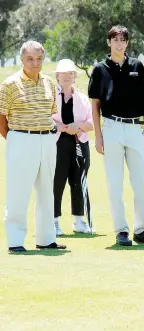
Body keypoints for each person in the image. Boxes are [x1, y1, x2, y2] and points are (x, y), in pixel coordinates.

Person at [88, 25, 144, 246]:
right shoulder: (99, 69)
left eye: (122, 39)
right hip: (111, 127)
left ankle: (140, 229)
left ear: (127, 43)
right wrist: (98, 136)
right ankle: (121, 230)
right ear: (109, 42)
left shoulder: (137, 66)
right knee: (115, 183)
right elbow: (95, 104)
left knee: (142, 182)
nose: (119, 43)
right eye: (114, 39)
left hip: (135, 127)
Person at [0, 41, 66, 252]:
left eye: (39, 58)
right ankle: (16, 241)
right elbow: (2, 120)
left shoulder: (49, 82)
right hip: (21, 138)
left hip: (46, 140)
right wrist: (16, 139)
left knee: (47, 191)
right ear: (22, 60)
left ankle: (46, 239)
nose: (35, 63)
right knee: (18, 192)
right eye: (30, 59)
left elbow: (51, 112)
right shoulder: (9, 84)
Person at [53, 59, 94, 236]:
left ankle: (79, 220)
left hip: (79, 143)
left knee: (79, 182)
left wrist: (77, 126)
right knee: (56, 182)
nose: (68, 76)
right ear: (57, 76)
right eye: (64, 73)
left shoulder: (83, 99)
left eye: (71, 73)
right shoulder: (51, 97)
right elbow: (47, 119)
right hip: (57, 143)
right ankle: (53, 221)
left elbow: (92, 123)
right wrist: (62, 127)